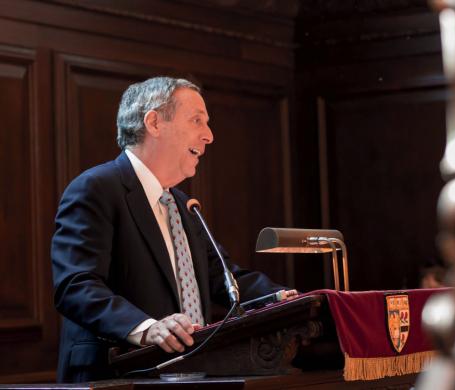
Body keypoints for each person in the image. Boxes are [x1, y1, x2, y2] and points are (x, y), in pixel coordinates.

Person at [51, 76, 294, 383]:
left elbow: (223, 277)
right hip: (116, 377)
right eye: (197, 121)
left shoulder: (181, 204)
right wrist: (147, 327)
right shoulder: (95, 189)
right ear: (154, 122)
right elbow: (75, 285)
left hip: (194, 376)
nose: (209, 136)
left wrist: (281, 299)